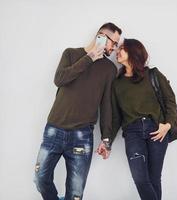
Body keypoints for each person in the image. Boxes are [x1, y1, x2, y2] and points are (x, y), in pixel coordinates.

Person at [34, 22, 122, 200]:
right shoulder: (71, 54)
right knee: (40, 179)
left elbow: (106, 106)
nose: (114, 48)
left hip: (82, 136)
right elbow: (60, 79)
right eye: (114, 42)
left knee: (75, 194)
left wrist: (106, 139)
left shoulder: (109, 69)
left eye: (117, 45)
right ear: (102, 36)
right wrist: (89, 58)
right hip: (54, 130)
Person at [107, 38, 177, 200]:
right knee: (140, 179)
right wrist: (107, 140)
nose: (118, 51)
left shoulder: (153, 74)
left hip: (157, 130)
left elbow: (170, 100)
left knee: (154, 178)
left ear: (133, 52)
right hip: (133, 133)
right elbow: (117, 117)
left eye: (122, 49)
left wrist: (168, 125)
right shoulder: (117, 84)